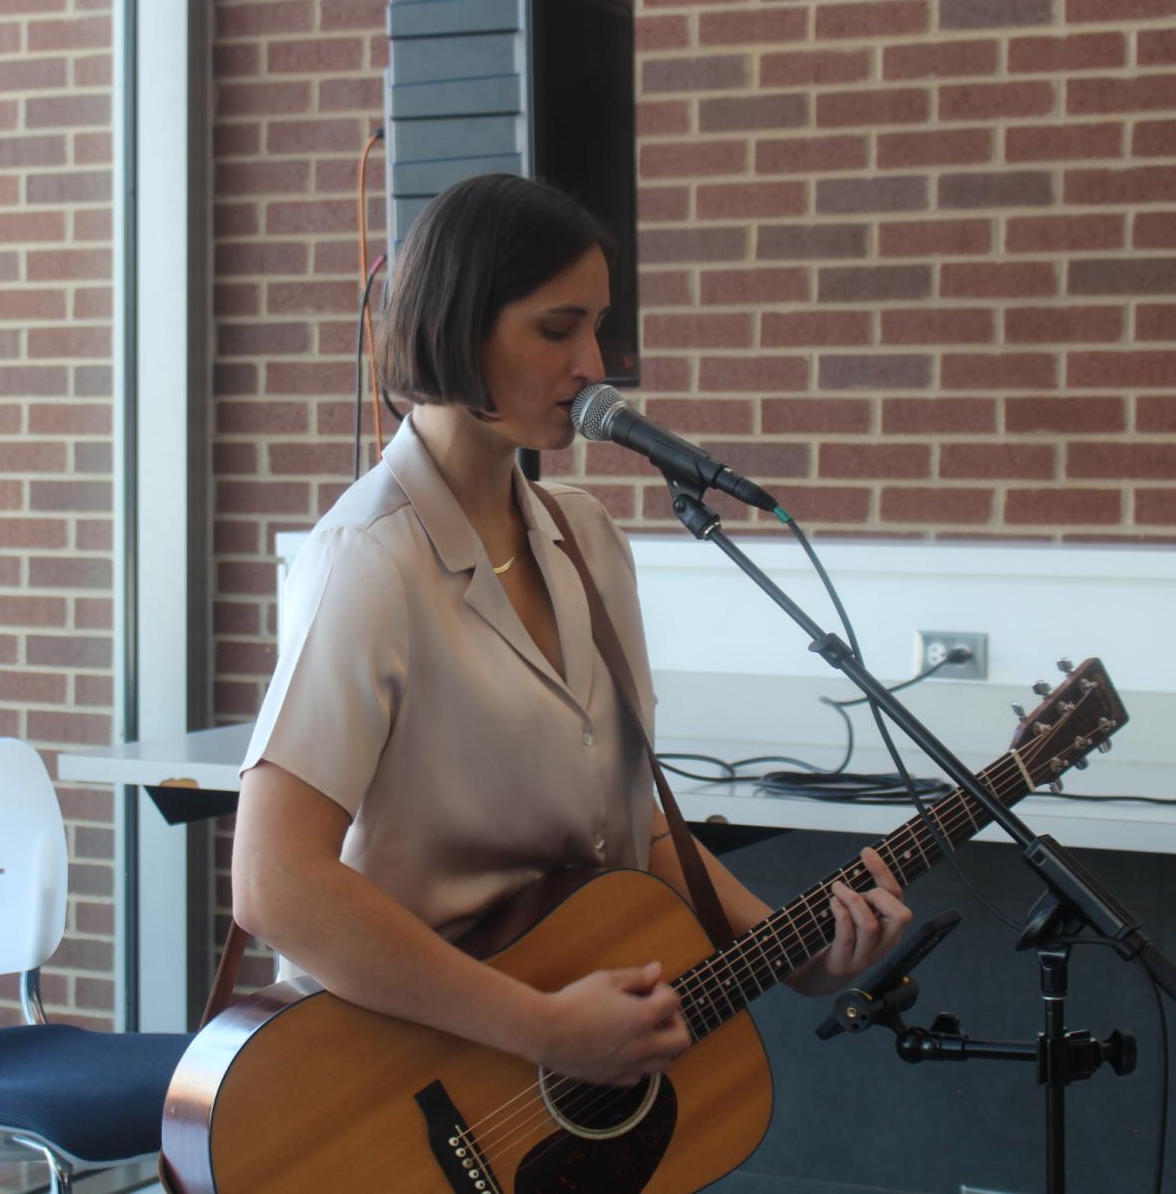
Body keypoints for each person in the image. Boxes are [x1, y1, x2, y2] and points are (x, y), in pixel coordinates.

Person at [230, 173, 913, 1089]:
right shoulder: (368, 559)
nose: (594, 364)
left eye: (597, 326)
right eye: (557, 329)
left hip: (546, 1094)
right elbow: (277, 885)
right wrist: (539, 1027)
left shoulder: (587, 539)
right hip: (392, 1089)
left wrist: (793, 953)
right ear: (459, 325)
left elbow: (633, 832)